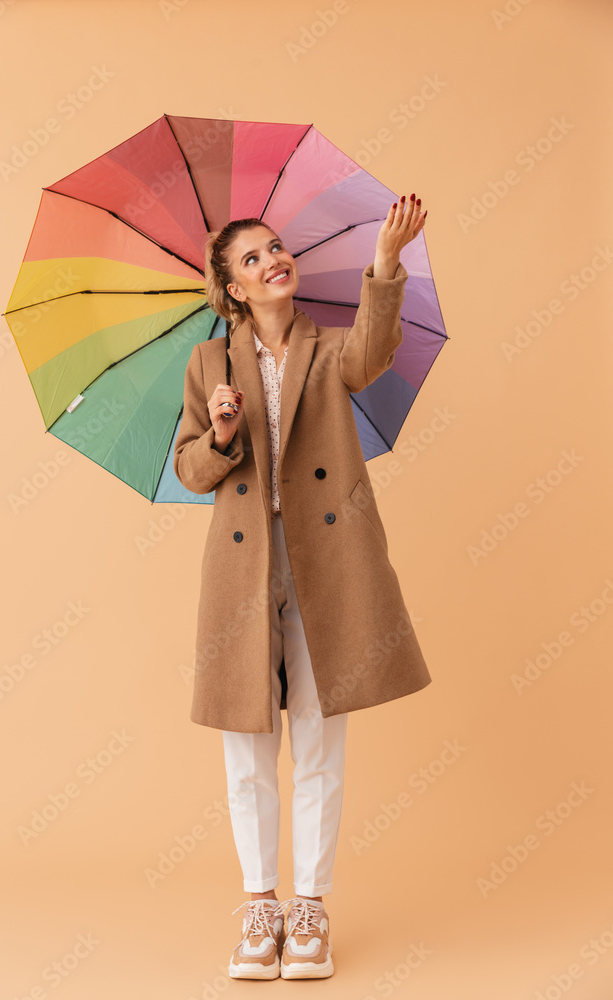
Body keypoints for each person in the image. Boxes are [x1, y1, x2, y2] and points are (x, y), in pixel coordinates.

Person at [173, 194, 429, 980]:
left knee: (320, 735)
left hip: (327, 560)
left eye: (275, 247)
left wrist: (384, 267)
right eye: (250, 259)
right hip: (242, 568)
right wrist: (219, 434)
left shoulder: (330, 348)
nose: (271, 260)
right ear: (233, 290)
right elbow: (190, 469)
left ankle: (310, 910)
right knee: (246, 742)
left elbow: (371, 358)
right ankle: (260, 908)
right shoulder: (208, 363)